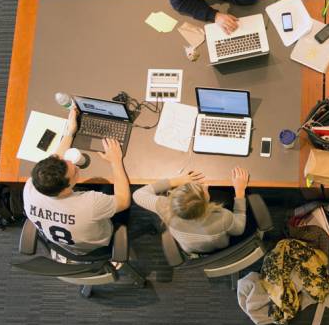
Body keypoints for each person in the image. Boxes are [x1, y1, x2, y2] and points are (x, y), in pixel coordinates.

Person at [23, 107, 131, 255]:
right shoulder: (90, 203)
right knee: (111, 189)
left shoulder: (32, 187)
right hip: (98, 245)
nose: (74, 165)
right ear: (67, 187)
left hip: (62, 245)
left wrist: (70, 132)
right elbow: (124, 201)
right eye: (74, 171)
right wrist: (116, 161)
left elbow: (56, 159)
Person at [133, 167, 249, 254]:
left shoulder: (165, 207)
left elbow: (138, 195)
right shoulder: (223, 217)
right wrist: (239, 192)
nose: (205, 186)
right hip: (218, 247)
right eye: (204, 189)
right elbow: (239, 229)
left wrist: (175, 181)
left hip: (190, 248)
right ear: (207, 203)